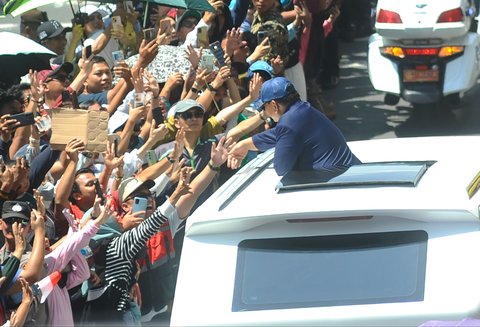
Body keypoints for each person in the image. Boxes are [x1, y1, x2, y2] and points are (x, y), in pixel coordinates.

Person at [227, 77, 360, 176]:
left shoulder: (288, 123)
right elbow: (279, 134)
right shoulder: (304, 109)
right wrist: (244, 145)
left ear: (274, 105)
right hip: (350, 173)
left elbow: (281, 168)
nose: (264, 112)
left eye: (264, 107)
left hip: (340, 181)